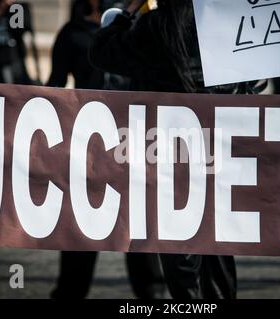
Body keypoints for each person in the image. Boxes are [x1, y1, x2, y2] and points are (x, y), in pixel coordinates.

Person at [89, 0, 237, 299]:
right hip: (214, 150)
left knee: (178, 242)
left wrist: (127, 12)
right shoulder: (225, 24)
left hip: (165, 155)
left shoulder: (154, 27)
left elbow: (102, 53)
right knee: (216, 239)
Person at [48, 0, 166, 299]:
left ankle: (152, 295)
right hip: (90, 150)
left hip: (137, 147)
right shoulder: (73, 33)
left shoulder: (145, 28)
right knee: (82, 231)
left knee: (140, 230)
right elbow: (55, 86)